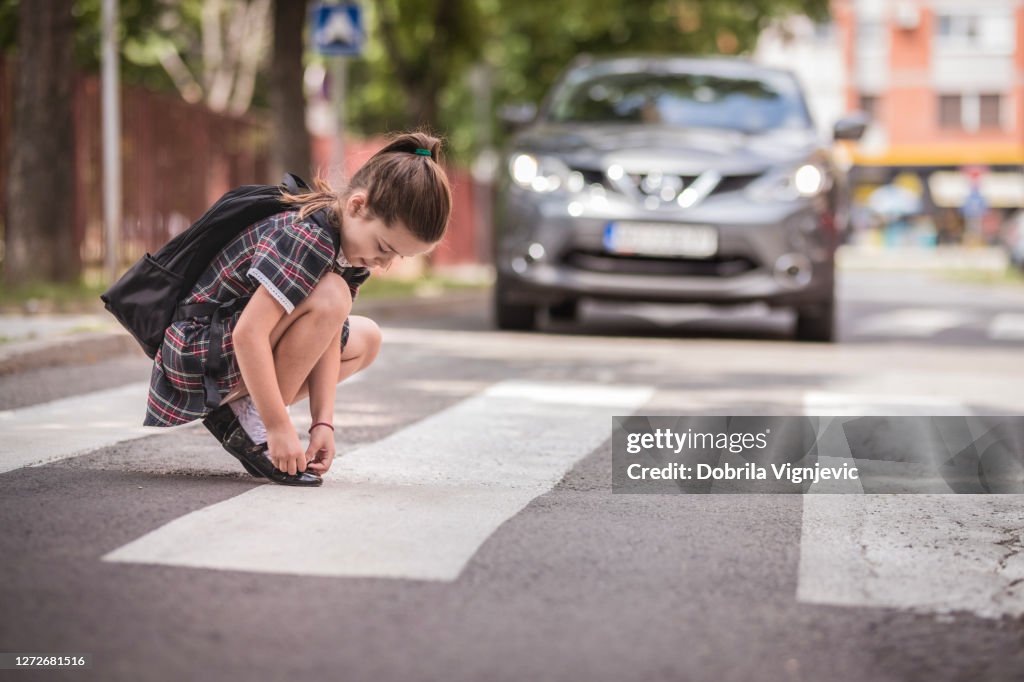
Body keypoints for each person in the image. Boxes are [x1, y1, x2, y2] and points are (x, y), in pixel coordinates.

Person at [142, 131, 452, 486]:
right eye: (384, 247)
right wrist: (278, 427)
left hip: (222, 349)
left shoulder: (348, 248)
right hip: (197, 351)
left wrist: (323, 423)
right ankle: (254, 415)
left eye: (396, 256)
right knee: (334, 295)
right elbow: (249, 333)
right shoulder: (309, 237)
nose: (383, 263)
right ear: (357, 206)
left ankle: (249, 409)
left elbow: (328, 336)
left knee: (367, 338)